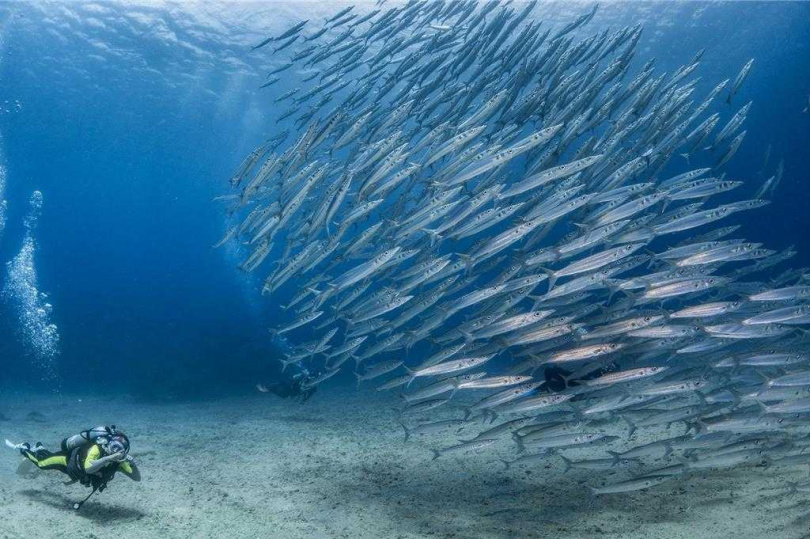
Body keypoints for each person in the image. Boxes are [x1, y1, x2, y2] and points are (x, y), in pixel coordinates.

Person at [6, 425, 140, 509]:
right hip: (67, 461)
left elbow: (136, 477)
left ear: (124, 452)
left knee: (47, 458)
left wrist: (130, 462)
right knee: (42, 464)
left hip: (75, 472)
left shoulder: (119, 461)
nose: (114, 451)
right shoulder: (96, 449)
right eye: (114, 446)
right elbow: (88, 468)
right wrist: (108, 458)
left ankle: (39, 448)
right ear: (109, 443)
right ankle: (24, 448)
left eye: (119, 449)